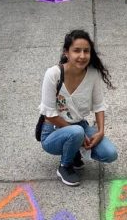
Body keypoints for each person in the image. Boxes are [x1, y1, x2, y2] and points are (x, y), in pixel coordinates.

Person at [38, 30, 118, 187]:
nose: (82, 55)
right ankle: (65, 166)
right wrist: (79, 136)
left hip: (79, 126)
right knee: (76, 132)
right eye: (76, 50)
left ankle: (74, 150)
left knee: (110, 154)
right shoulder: (53, 74)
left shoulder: (93, 74)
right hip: (53, 132)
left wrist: (101, 131)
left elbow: (99, 105)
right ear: (66, 52)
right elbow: (49, 114)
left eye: (86, 51)